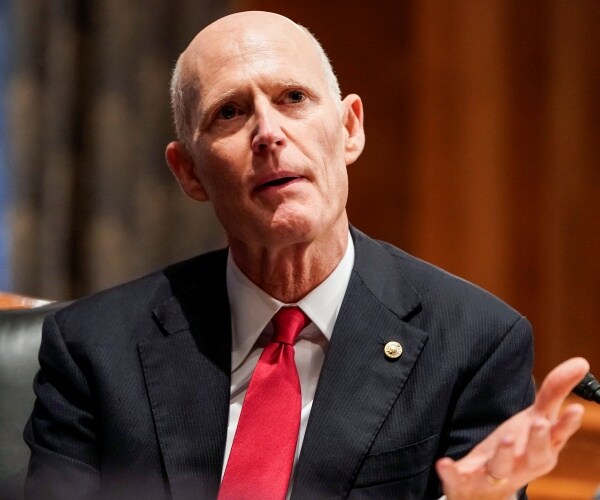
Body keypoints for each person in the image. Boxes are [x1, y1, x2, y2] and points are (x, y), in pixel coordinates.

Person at [24, 10, 588, 500]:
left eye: (293, 98)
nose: (268, 132)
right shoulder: (95, 350)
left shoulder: (472, 343)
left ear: (349, 129)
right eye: (230, 112)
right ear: (189, 172)